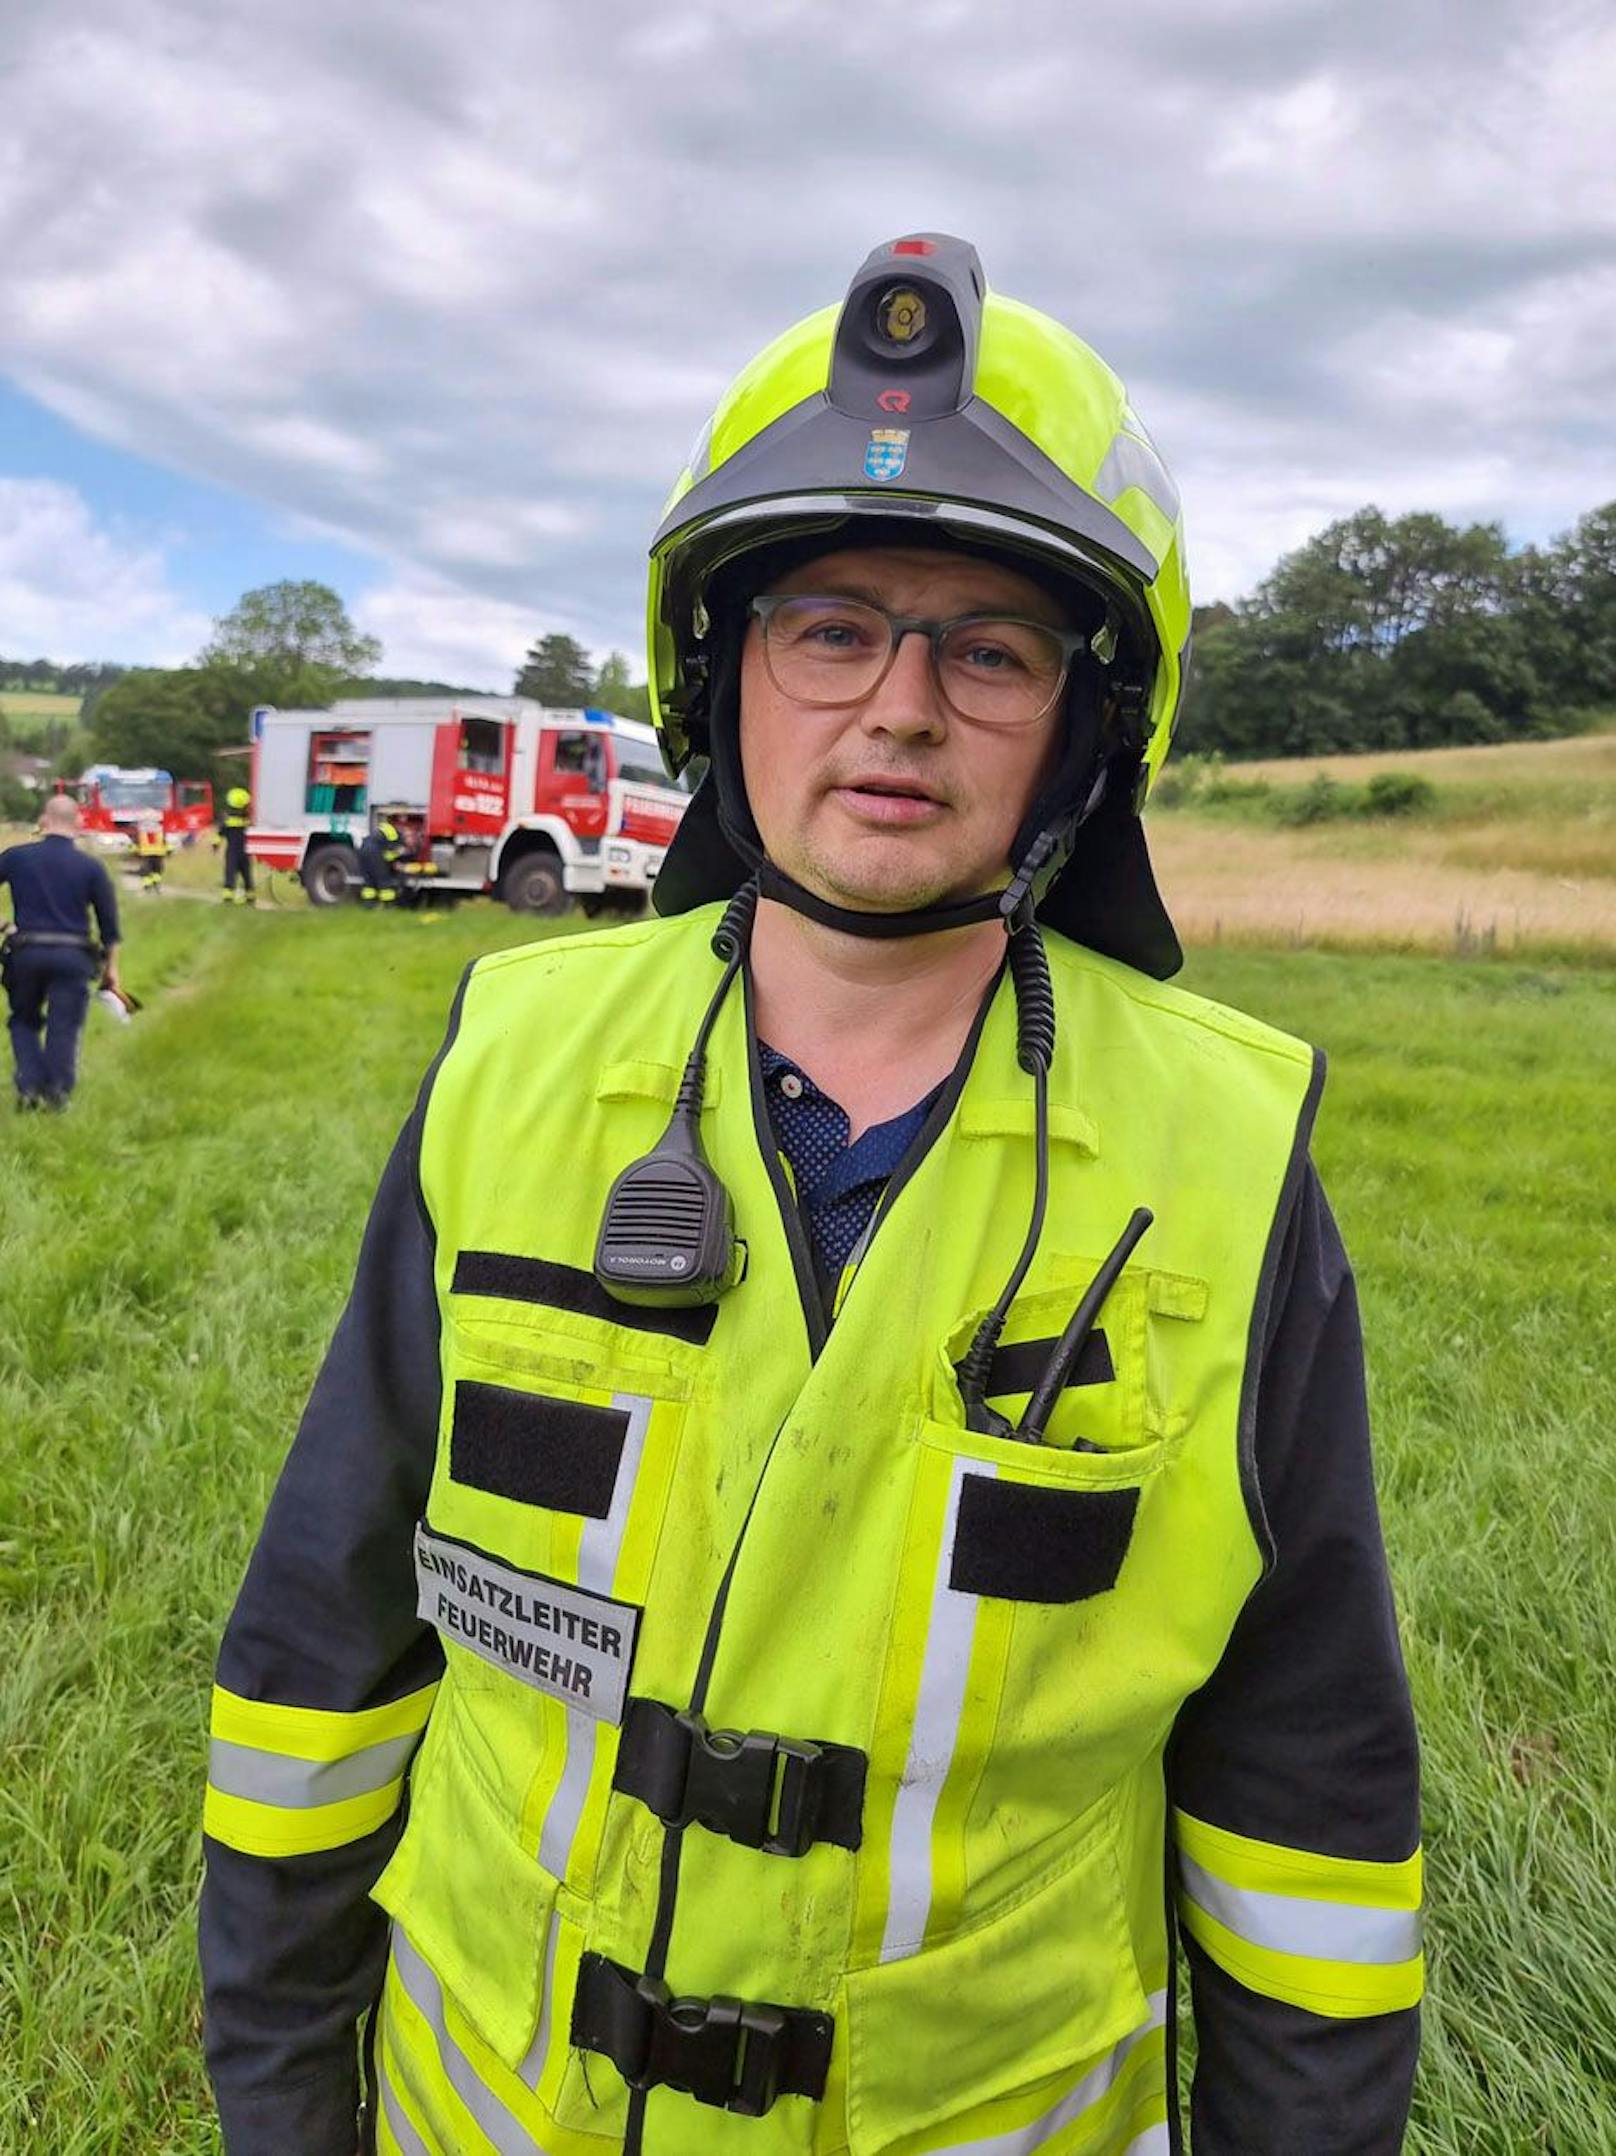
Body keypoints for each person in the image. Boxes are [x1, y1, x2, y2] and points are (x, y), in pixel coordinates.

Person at [200, 237, 1422, 2156]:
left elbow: (1310, 1796)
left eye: (992, 647)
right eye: (830, 626)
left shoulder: (1229, 1154)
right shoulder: (507, 1062)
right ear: (720, 678)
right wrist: (283, 2108)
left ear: (1091, 730)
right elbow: (318, 1658)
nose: (901, 706)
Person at [0, 792, 122, 1110]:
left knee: (23, 1020)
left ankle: (28, 1086)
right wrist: (112, 970)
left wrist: (3, 926)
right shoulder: (91, 867)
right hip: (74, 957)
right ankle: (57, 1092)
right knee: (64, 1024)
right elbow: (109, 926)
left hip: (25, 952)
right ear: (79, 823)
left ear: (44, 820)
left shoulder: (16, 857)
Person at [356, 812, 414, 906]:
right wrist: (395, 863)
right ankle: (388, 905)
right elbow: (389, 853)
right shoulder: (396, 835)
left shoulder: (384, 828)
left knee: (369, 881)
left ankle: (369, 905)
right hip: (375, 854)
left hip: (362, 850)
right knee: (384, 881)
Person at [218, 784, 255, 905]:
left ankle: (228, 898)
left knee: (230, 874)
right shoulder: (247, 821)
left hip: (232, 853)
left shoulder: (227, 821)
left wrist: (215, 845)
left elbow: (219, 834)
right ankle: (250, 898)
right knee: (247, 876)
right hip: (245, 852)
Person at [134, 812, 169, 890]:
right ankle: (156, 884)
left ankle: (147, 885)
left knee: (146, 870)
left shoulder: (141, 830)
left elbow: (137, 842)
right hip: (158, 853)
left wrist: (136, 852)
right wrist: (167, 851)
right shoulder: (160, 829)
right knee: (157, 870)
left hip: (146, 853)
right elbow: (164, 842)